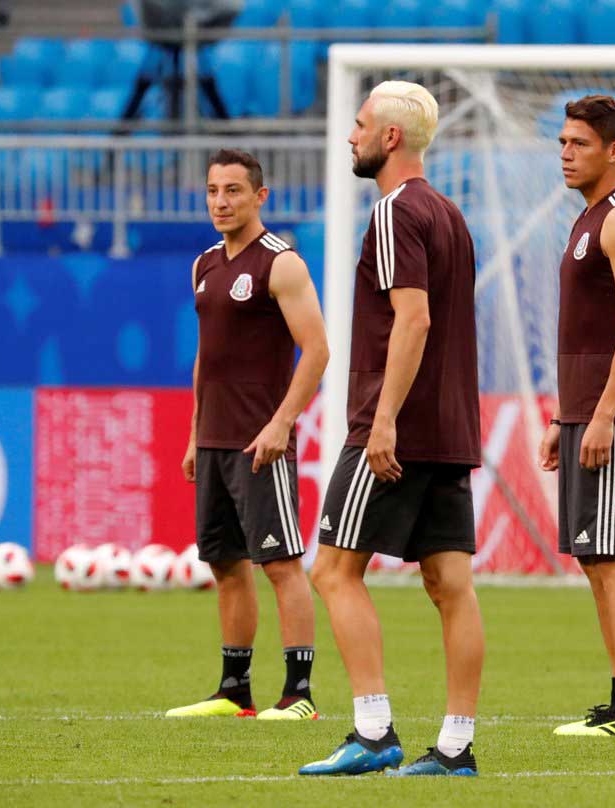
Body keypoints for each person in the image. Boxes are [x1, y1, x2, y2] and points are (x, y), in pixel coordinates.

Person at [298, 81, 484, 778]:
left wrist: (381, 421)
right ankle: (457, 747)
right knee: (451, 585)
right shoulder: (450, 214)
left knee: (333, 569)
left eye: (360, 124)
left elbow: (415, 319)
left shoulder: (395, 214)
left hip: (396, 426)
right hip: (451, 425)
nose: (351, 135)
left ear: (391, 137)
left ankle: (374, 733)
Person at [167, 148, 328, 721]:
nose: (220, 201)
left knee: (280, 563)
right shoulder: (204, 265)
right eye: (213, 190)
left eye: (233, 190)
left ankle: (299, 694)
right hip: (213, 440)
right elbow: (204, 361)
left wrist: (283, 422)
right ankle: (235, 690)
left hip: (261, 443)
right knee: (225, 565)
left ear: (260, 196)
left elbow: (318, 350)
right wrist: (193, 435)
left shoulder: (281, 264)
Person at [539, 95, 615, 737]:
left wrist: (605, 413)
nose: (565, 153)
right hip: (585, 413)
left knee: (613, 555)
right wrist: (567, 417)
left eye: (578, 144)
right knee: (594, 556)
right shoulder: (587, 220)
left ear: (613, 151)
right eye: (562, 142)